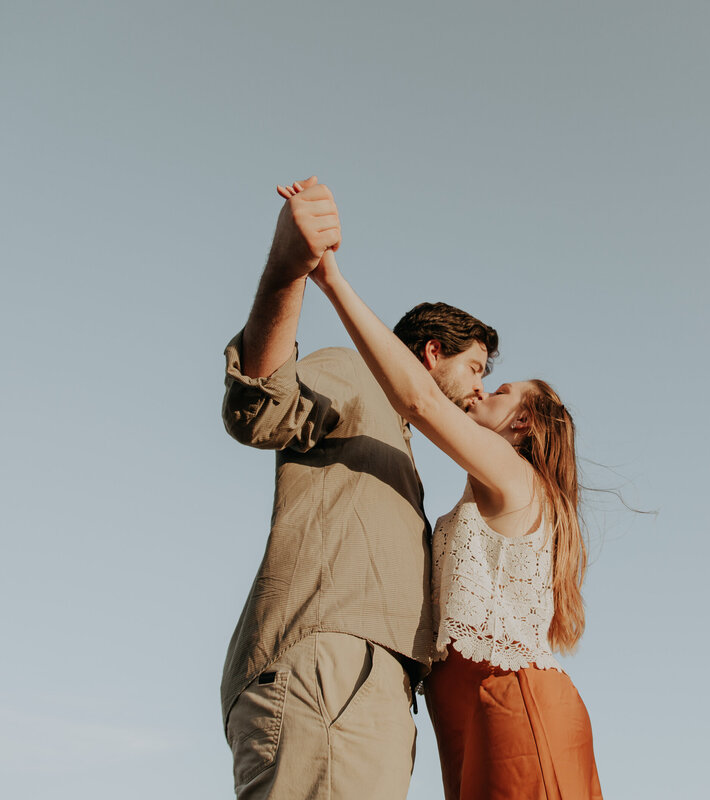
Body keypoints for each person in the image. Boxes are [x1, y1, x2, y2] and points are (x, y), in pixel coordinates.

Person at [280, 179, 603, 799]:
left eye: (500, 388)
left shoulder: (515, 476)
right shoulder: (481, 489)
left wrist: (332, 283)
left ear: (526, 424)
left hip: (513, 702)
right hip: (463, 716)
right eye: (484, 376)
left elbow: (422, 399)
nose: (484, 390)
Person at [219, 176, 500, 799]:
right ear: (431, 354)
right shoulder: (358, 378)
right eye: (475, 367)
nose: (480, 388)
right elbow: (259, 408)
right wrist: (289, 272)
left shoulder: (399, 448)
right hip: (335, 674)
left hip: (367, 690)